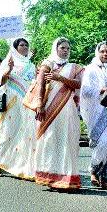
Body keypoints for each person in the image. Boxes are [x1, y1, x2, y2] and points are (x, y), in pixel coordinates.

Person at [33, 37, 83, 190]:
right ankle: (49, 177)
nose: (66, 50)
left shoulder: (75, 67)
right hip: (49, 108)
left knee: (68, 140)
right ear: (56, 49)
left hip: (67, 109)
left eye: (68, 48)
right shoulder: (47, 64)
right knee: (49, 140)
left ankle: (68, 179)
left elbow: (79, 84)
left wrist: (60, 78)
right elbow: (40, 83)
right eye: (62, 48)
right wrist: (39, 104)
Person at [0, 38, 37, 178]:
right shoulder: (9, 62)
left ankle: (22, 165)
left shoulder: (31, 65)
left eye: (26, 45)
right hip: (12, 103)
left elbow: (34, 83)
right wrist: (9, 70)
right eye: (21, 45)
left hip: (27, 103)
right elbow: (0, 82)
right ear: (15, 48)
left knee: (27, 134)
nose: (24, 47)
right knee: (8, 132)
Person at [80, 41, 107, 189]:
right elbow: (85, 91)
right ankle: (94, 170)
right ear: (98, 52)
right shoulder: (91, 69)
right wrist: (100, 90)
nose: (105, 54)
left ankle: (105, 178)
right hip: (97, 112)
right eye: (102, 51)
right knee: (103, 143)